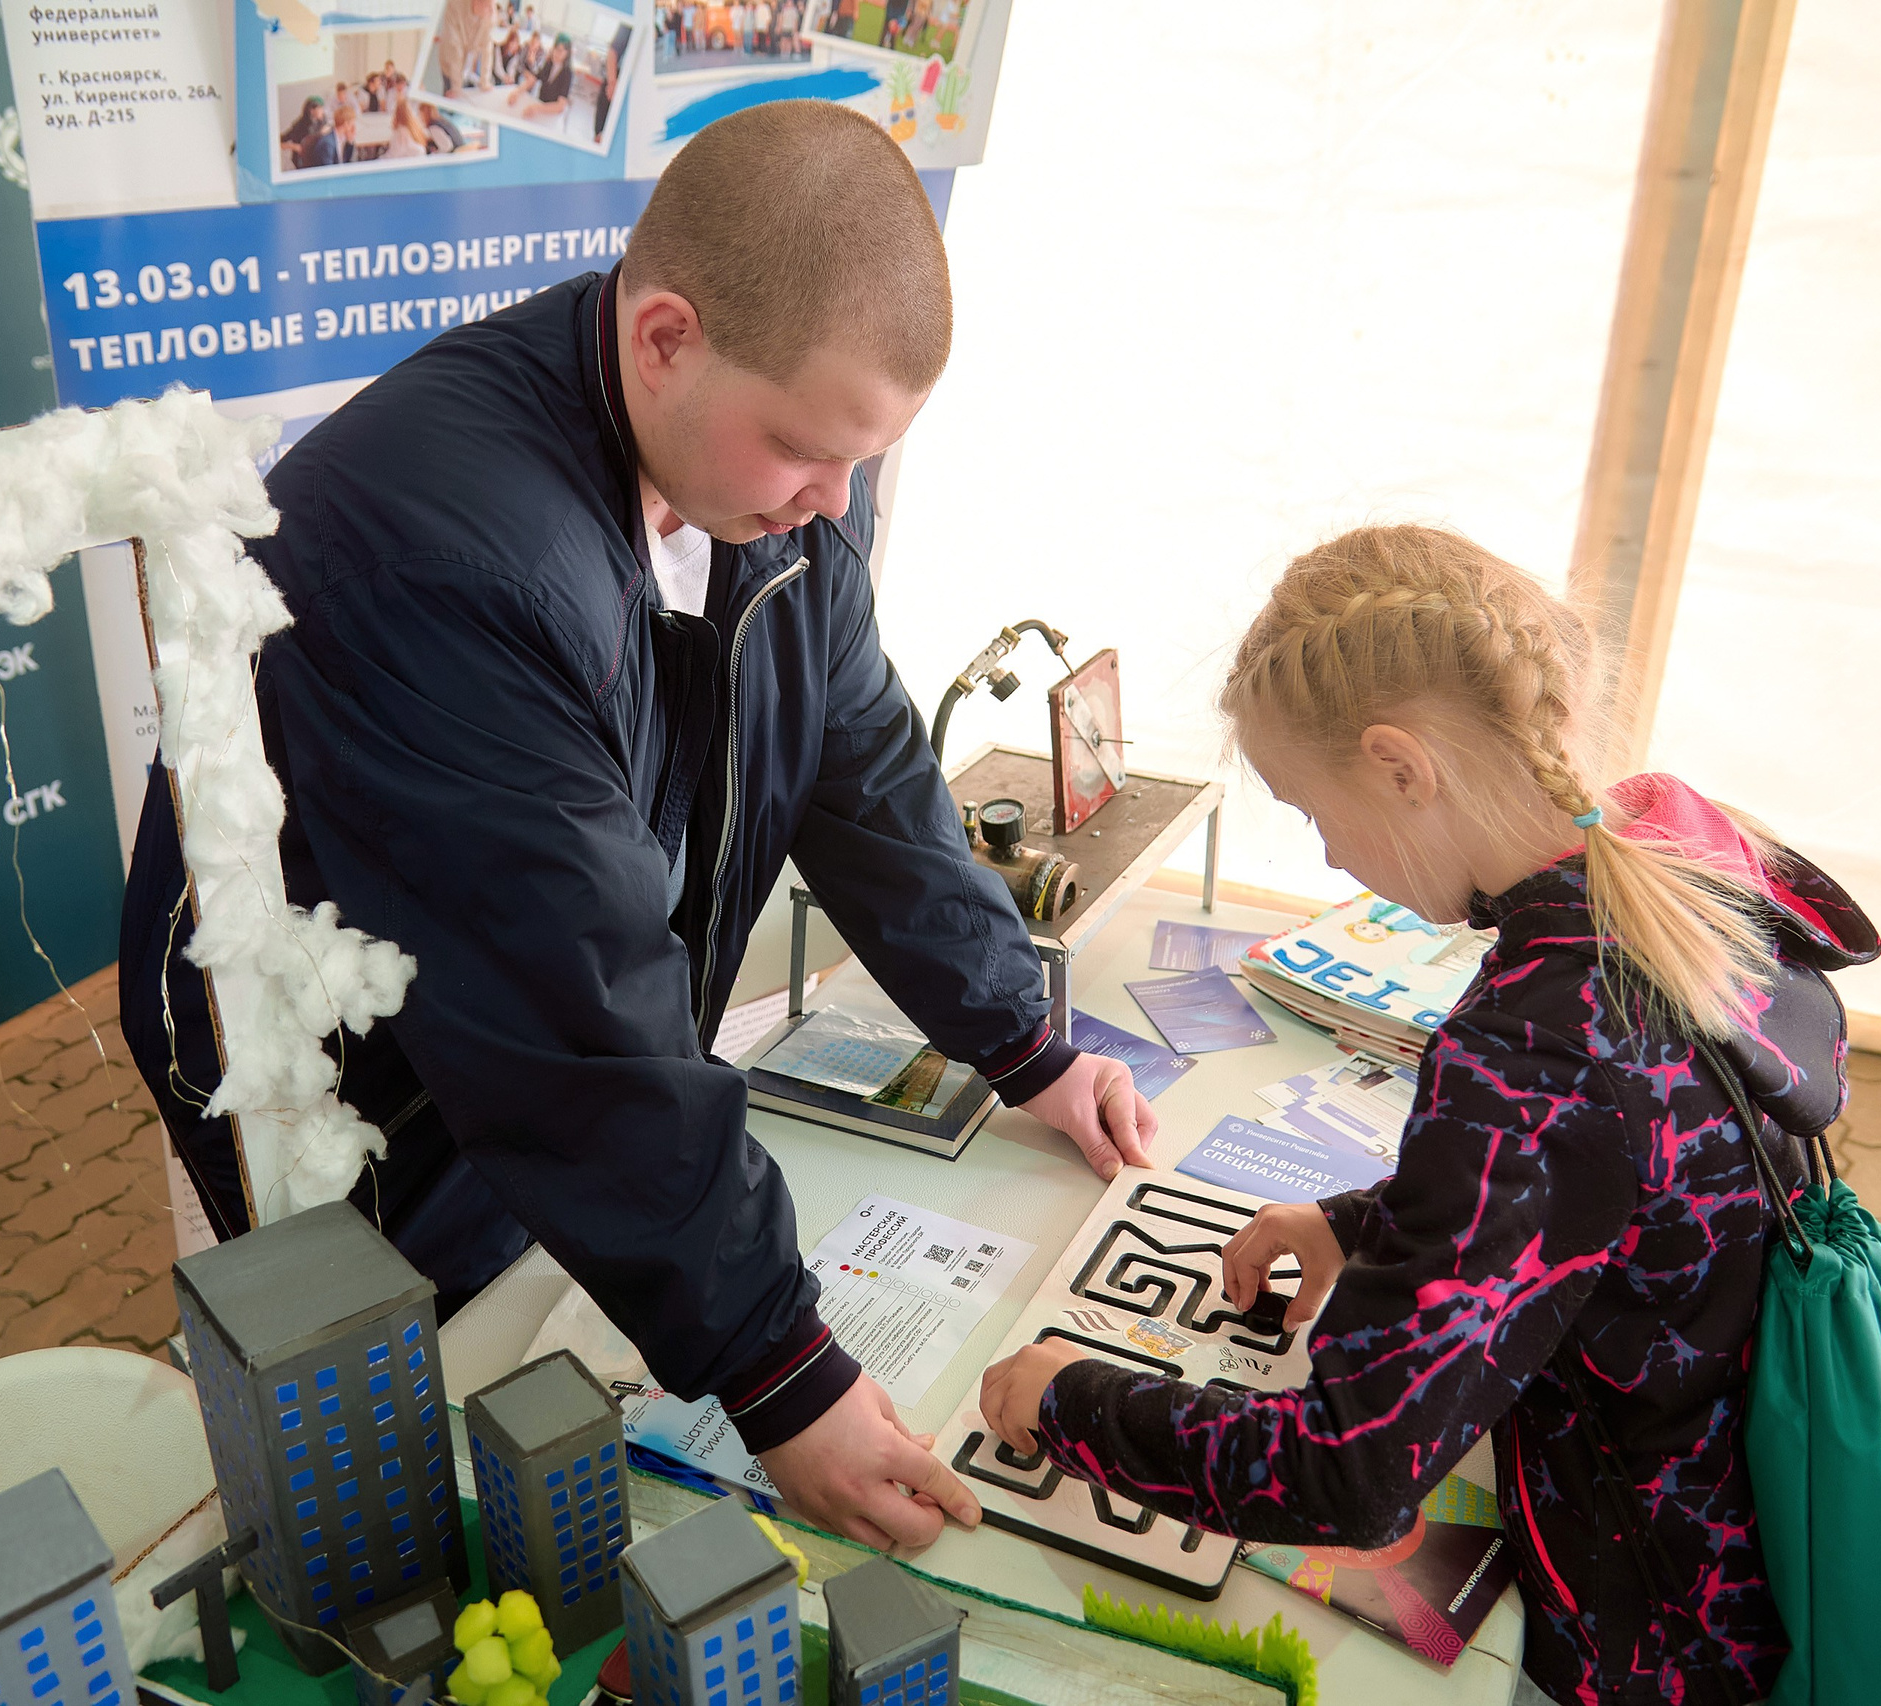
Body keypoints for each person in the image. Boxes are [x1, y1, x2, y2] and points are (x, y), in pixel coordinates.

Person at [121, 101, 1155, 1556]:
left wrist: (1022, 1041)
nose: (835, 503)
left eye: (865, 460)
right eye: (804, 451)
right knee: (412, 1437)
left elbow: (861, 762)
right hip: (371, 1102)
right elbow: (566, 996)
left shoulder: (770, 480)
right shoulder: (435, 548)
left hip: (557, 1065)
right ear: (665, 336)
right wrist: (778, 1369)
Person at [977, 527, 1881, 1705]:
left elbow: (1349, 1476)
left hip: (1651, 1611)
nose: (1330, 855)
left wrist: (1069, 1398)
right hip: (1741, 1480)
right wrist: (1366, 1221)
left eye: (1315, 810)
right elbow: (1613, 1179)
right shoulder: (1669, 858)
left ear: (1399, 766)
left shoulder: (1535, 1050)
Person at [507, 35, 574, 120]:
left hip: (551, 116)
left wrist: (537, 108)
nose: (556, 53)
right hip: (540, 110)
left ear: (567, 53)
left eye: (560, 51)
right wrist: (517, 92)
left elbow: (560, 106)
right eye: (555, 49)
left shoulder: (567, 73)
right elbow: (533, 79)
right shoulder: (549, 64)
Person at [281, 95, 328, 168]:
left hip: (316, 157)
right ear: (311, 110)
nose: (322, 111)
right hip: (302, 162)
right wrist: (295, 147)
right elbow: (282, 140)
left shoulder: (322, 121)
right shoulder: (300, 126)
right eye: (320, 108)